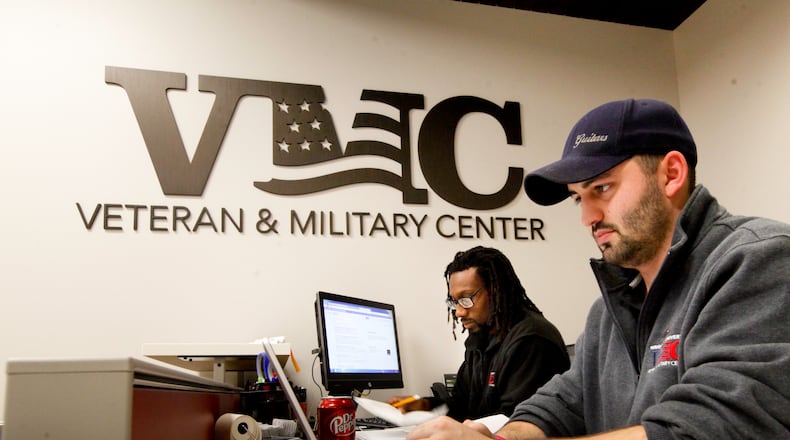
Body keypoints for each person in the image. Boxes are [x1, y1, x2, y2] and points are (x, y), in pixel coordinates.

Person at [406, 98, 790, 440]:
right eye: (578, 199)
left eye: (602, 188)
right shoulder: (609, 309)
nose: (588, 218)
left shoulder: (757, 259)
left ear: (671, 174)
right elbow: (564, 401)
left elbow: (713, 425)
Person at [391, 246, 570, 421]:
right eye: (454, 302)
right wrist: (424, 405)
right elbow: (461, 406)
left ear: (496, 291)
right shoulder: (480, 339)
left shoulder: (531, 341)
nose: (459, 312)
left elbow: (514, 423)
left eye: (466, 299)